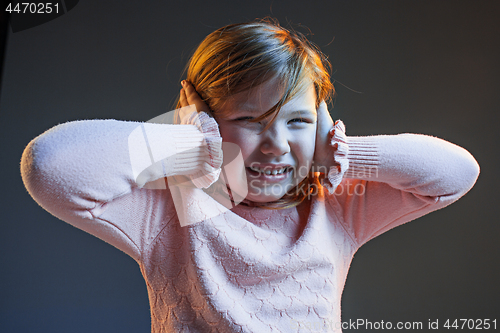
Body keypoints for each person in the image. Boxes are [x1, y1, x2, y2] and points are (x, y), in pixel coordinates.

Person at [20, 18, 480, 332]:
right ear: (200, 116)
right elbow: (50, 167)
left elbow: (456, 172)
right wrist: (185, 143)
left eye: (297, 121)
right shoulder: (170, 207)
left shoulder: (333, 203)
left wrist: (345, 154)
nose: (276, 144)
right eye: (247, 118)